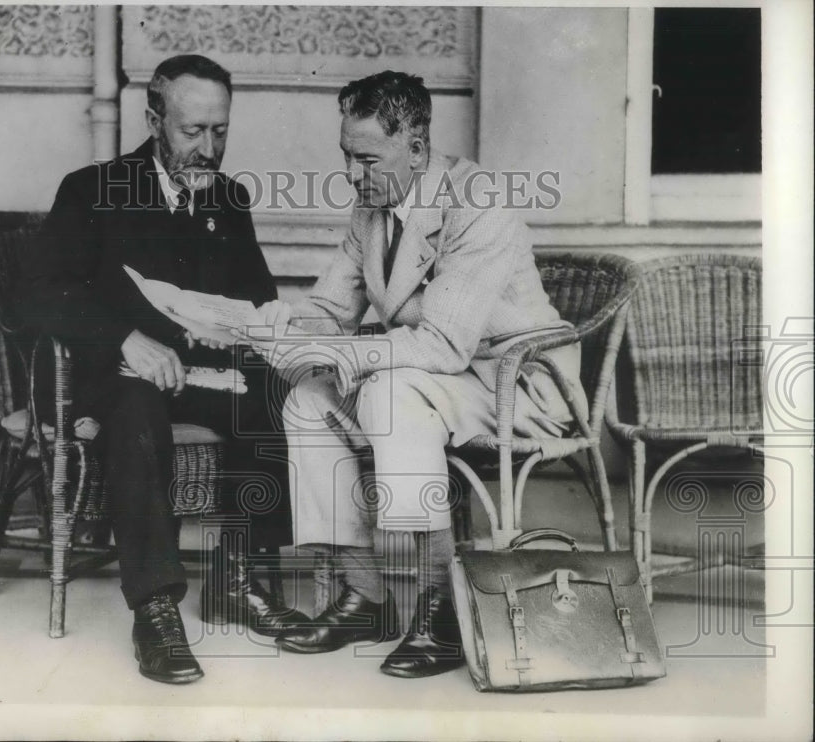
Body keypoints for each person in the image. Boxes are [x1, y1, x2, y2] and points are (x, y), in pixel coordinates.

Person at [239, 71, 585, 679]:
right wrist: (275, 327)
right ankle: (363, 596)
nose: (351, 173)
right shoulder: (372, 206)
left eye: (366, 158)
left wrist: (352, 355)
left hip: (517, 382)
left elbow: (446, 343)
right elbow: (333, 310)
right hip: (441, 380)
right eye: (346, 155)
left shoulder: (479, 200)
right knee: (307, 401)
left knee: (392, 395)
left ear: (418, 149)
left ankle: (439, 611)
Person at [20, 54, 306, 685]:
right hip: (112, 373)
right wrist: (125, 337)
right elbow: (37, 293)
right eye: (191, 131)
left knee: (271, 393)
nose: (208, 148)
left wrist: (262, 332)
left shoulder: (228, 199)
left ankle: (239, 578)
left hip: (203, 373)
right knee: (137, 405)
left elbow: (255, 297)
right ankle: (154, 608)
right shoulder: (92, 189)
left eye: (220, 131)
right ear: (154, 119)